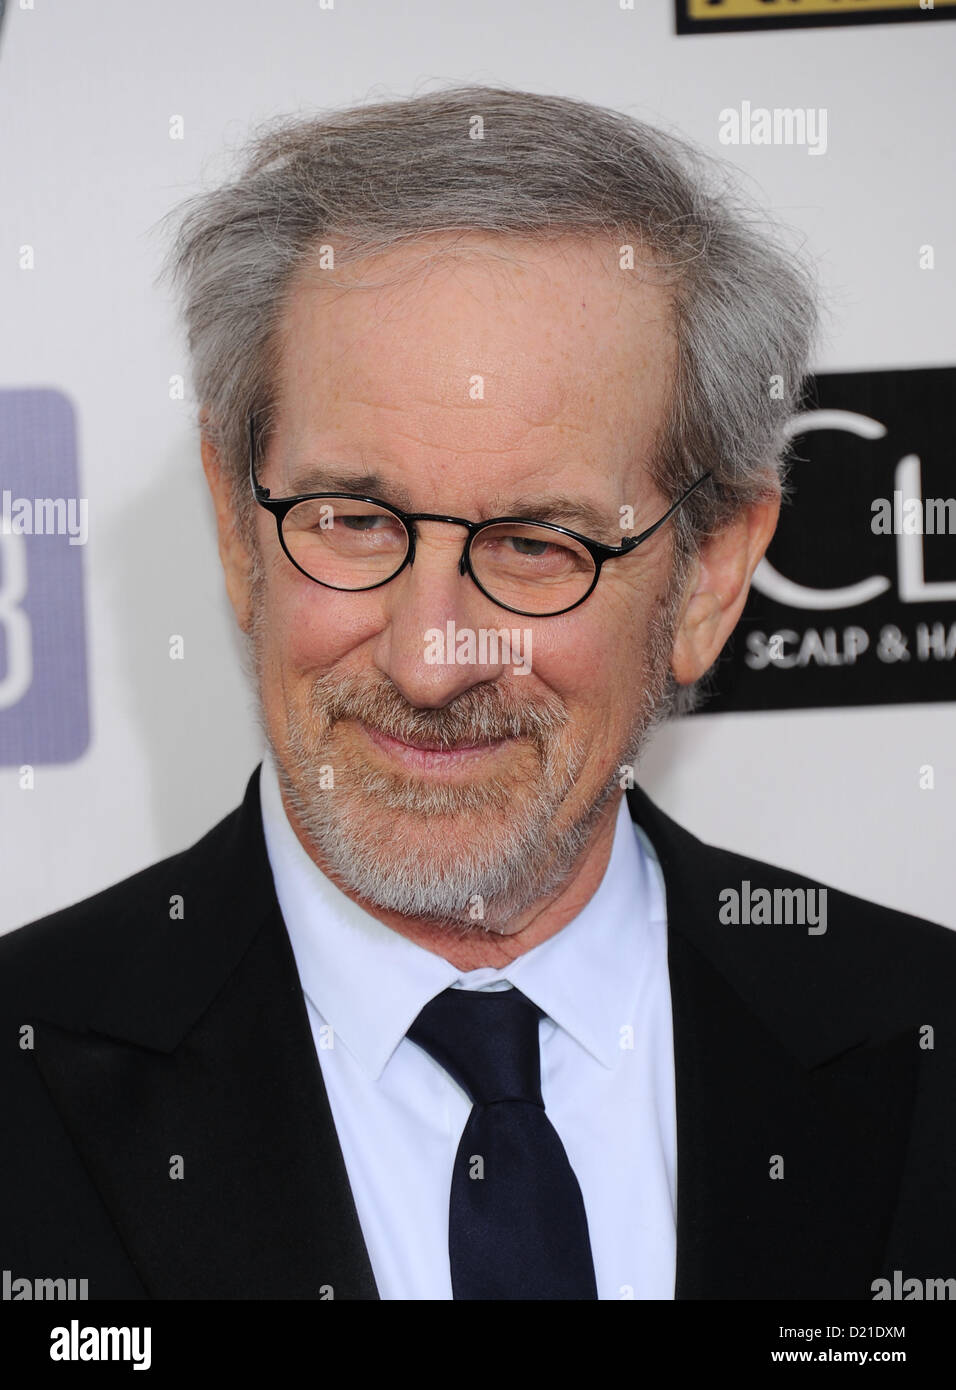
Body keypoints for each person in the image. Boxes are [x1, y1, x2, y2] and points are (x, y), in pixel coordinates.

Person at [3, 85, 955, 1303]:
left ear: (711, 571)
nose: (428, 658)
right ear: (240, 533)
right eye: (351, 520)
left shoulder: (922, 1050)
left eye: (534, 545)